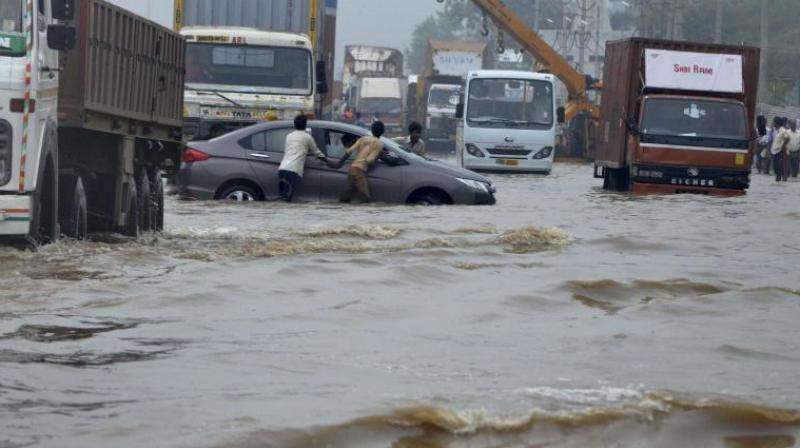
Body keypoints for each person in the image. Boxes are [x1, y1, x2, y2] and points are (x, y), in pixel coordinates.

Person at [328, 120, 398, 203]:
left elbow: (349, 151)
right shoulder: (379, 143)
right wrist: (378, 155)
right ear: (383, 131)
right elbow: (370, 160)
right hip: (360, 172)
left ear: (371, 130)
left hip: (351, 170)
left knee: (346, 197)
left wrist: (340, 163)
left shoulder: (363, 139)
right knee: (365, 199)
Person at [277, 115, 327, 202]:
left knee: (283, 197)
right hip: (293, 171)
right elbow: (317, 152)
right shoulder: (307, 137)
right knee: (287, 199)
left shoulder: (289, 136)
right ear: (305, 125)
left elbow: (290, 150)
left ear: (294, 124)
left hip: (282, 169)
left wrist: (304, 152)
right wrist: (327, 160)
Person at [770, 116, 791, 182]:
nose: (773, 123)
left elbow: (788, 138)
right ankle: (778, 181)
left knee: (780, 169)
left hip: (780, 152)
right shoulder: (776, 130)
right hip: (775, 152)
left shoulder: (782, 130)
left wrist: (783, 146)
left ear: (777, 123)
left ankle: (781, 181)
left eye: (774, 122)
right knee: (776, 169)